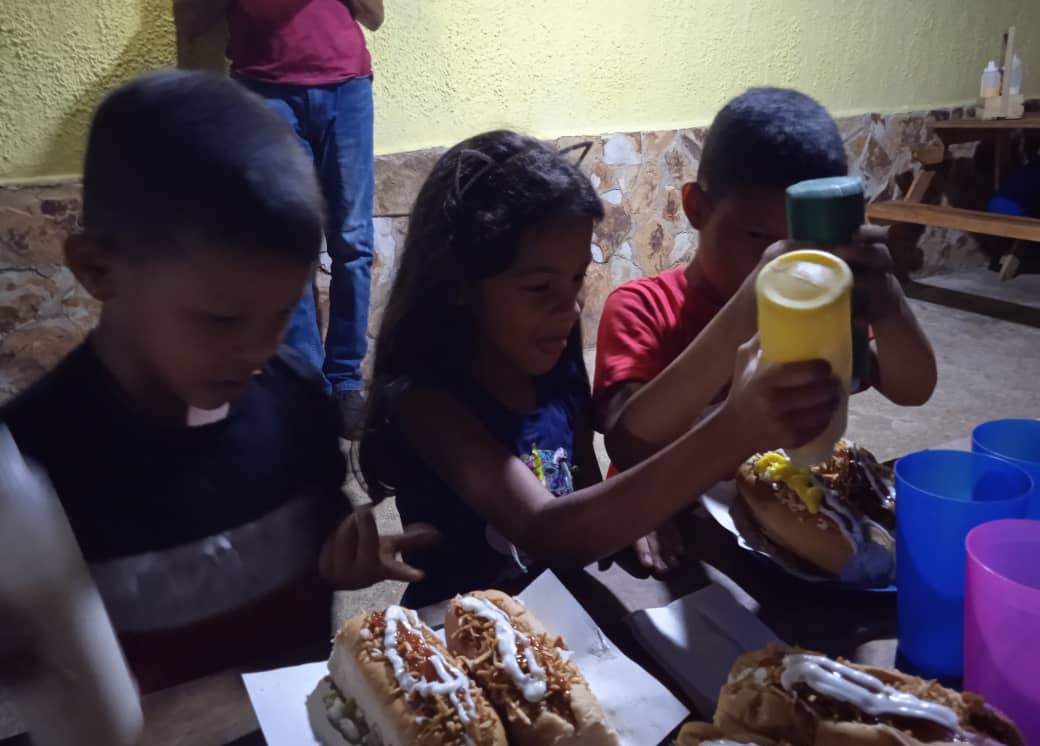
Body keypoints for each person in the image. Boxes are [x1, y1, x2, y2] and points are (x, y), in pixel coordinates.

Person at [0, 71, 436, 693]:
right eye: (222, 319)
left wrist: (337, 563)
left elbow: (310, 559)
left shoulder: (297, 405)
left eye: (282, 314)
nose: (258, 352)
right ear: (98, 268)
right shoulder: (27, 467)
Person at [358, 130, 847, 608]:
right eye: (539, 288)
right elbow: (547, 531)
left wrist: (628, 513)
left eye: (576, 280)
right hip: (455, 632)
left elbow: (585, 487)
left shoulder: (554, 371)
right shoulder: (427, 404)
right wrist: (734, 428)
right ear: (457, 286)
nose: (570, 310)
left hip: (562, 615)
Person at [593, 88, 938, 576]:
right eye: (758, 237)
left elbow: (913, 389)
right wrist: (748, 307)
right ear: (697, 208)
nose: (779, 262)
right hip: (670, 525)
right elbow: (628, 444)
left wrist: (886, 297)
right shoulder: (643, 307)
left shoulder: (823, 308)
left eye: (804, 247)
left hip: (782, 522)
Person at [174, 0, 385, 437]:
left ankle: (346, 380)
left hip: (347, 89)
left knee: (353, 242)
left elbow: (374, 15)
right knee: (287, 248)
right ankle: (308, 387)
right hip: (263, 93)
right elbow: (190, 21)